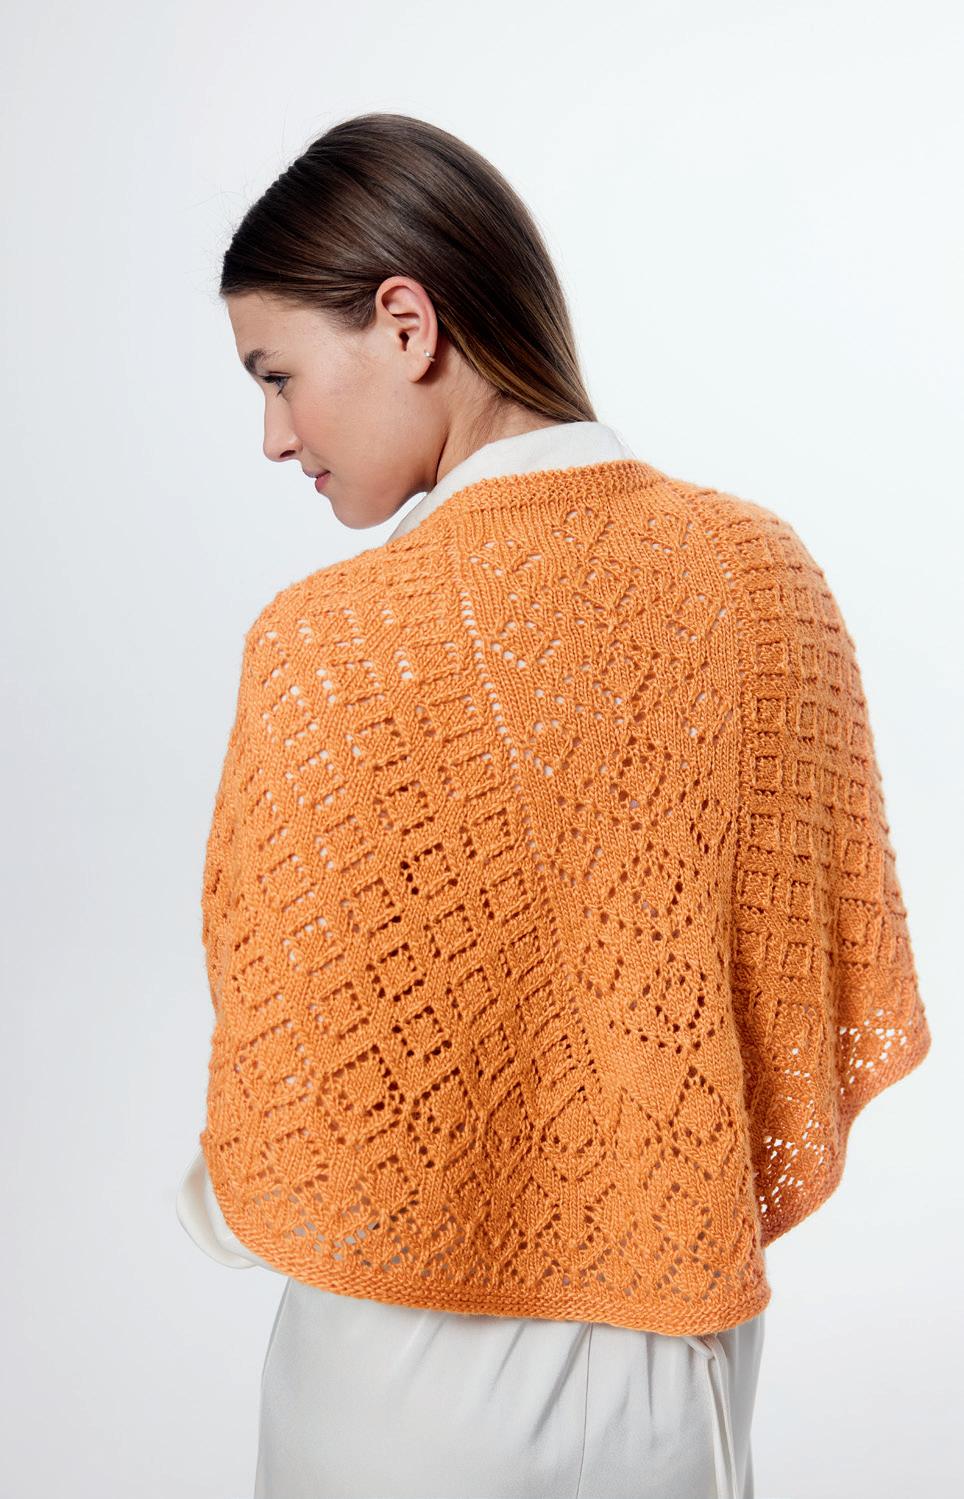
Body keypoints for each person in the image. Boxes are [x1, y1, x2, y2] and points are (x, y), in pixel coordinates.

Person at [177, 112, 931, 1499]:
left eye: (277, 375)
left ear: (406, 323)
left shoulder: (329, 643)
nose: (275, 437)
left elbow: (282, 1062)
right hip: (682, 1379)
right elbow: (802, 993)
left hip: (399, 1378)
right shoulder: (764, 577)